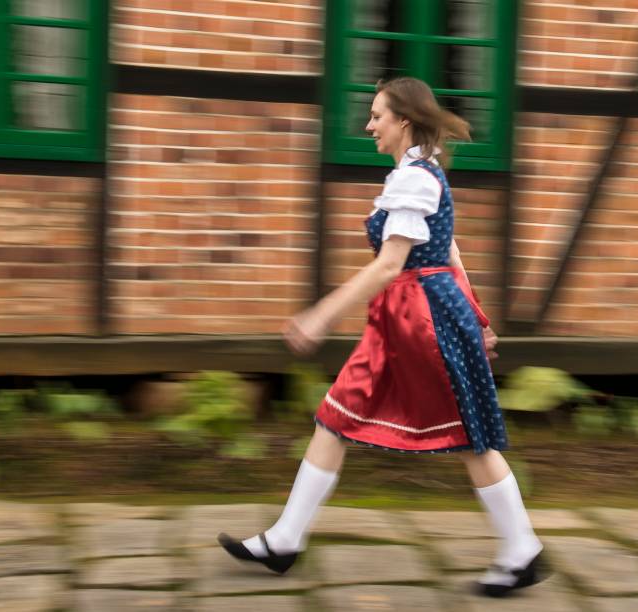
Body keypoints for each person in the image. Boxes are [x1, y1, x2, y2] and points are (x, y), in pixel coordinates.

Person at [218, 76, 547, 598]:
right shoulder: (416, 174)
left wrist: (321, 315)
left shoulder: (414, 179)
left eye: (377, 116)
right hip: (404, 319)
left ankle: (521, 548)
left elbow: (391, 264)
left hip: (424, 321)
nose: (369, 125)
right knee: (336, 415)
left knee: (469, 436)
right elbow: (451, 251)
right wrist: (479, 314)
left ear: (404, 122)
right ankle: (284, 538)